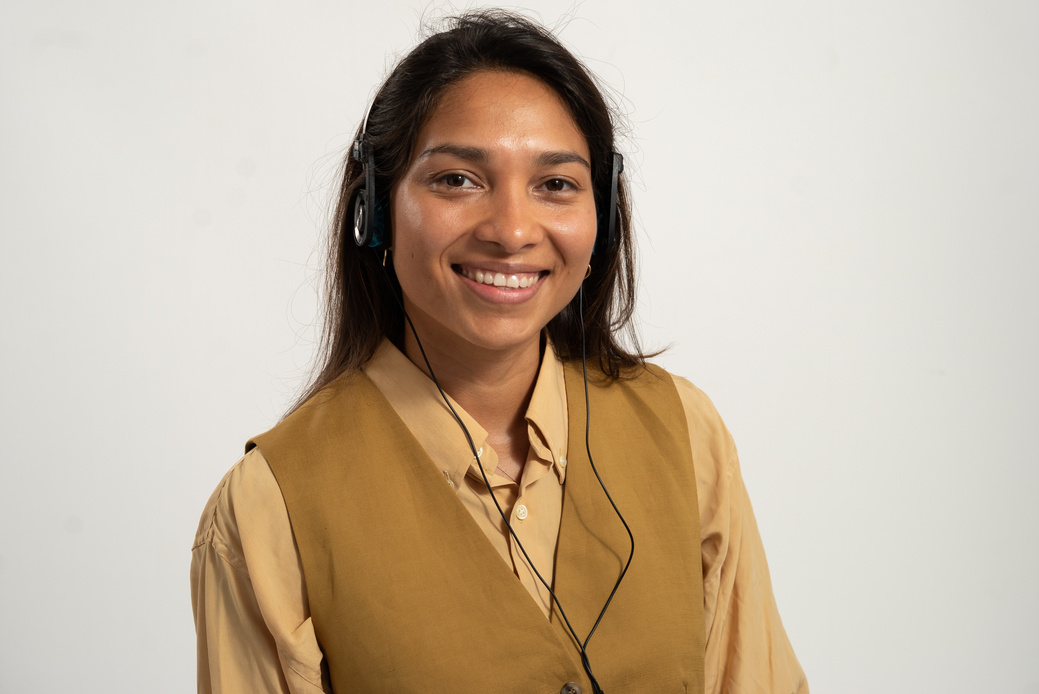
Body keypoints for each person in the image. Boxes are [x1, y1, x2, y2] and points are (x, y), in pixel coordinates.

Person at [191, 10, 808, 694]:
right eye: (457, 179)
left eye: (555, 185)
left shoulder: (685, 434)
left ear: (600, 215)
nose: (512, 230)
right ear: (375, 208)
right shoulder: (271, 505)